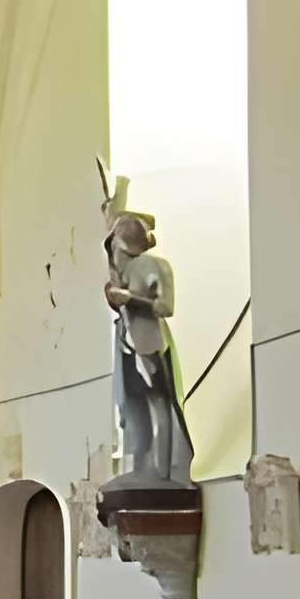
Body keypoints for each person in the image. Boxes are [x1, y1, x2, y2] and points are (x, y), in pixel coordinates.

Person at [104, 205, 195, 483]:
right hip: (127, 342)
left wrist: (132, 298)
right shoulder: (118, 271)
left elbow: (165, 307)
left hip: (150, 341)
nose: (119, 259)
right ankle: (140, 468)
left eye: (125, 253)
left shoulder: (154, 267)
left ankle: (163, 473)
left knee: (160, 404)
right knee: (132, 408)